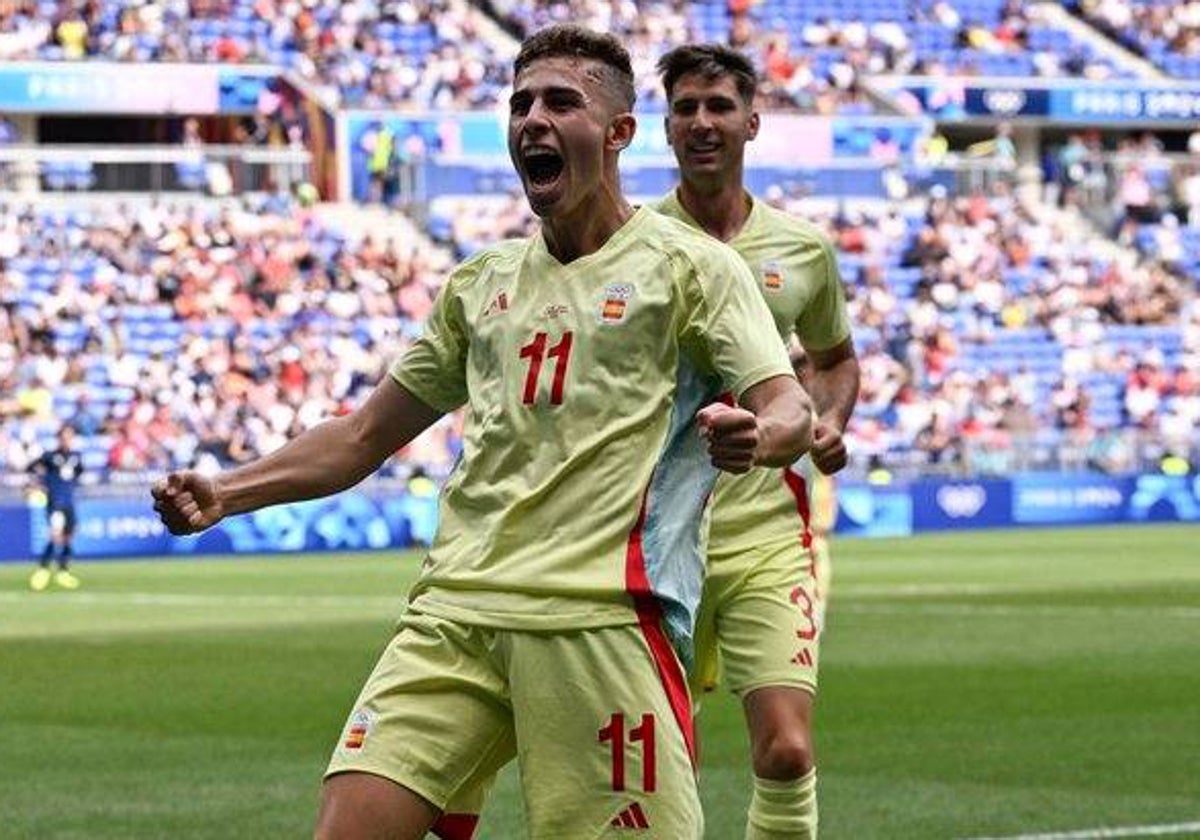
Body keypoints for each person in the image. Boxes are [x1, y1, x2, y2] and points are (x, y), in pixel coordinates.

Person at [152, 25, 814, 840]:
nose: (532, 119)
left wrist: (760, 433)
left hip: (600, 620)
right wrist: (228, 489)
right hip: (455, 613)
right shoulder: (481, 283)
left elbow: (788, 404)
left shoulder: (695, 270)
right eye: (520, 104)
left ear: (618, 133)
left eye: (560, 102)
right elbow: (362, 436)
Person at [653, 44, 861, 839]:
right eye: (686, 109)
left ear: (751, 121)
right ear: (663, 128)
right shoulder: (632, 241)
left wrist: (828, 421)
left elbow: (836, 359)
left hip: (765, 530)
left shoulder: (803, 249)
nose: (702, 122)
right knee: (654, 759)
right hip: (650, 533)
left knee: (785, 750)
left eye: (717, 106)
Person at [29, 424, 83, 591]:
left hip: (69, 502)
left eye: (70, 436)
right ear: (59, 438)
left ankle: (63, 571)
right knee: (55, 535)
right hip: (55, 503)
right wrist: (40, 484)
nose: (67, 440)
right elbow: (31, 468)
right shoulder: (49, 456)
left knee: (69, 535)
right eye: (64, 436)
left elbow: (78, 474)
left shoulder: (76, 457)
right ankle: (43, 569)